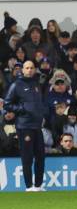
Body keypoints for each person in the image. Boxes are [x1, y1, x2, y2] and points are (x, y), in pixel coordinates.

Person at [4, 61, 46, 191]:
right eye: (27, 68)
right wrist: (22, 108)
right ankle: (29, 186)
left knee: (40, 156)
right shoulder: (16, 85)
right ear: (22, 70)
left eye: (32, 68)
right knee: (27, 157)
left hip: (37, 126)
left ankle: (38, 186)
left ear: (34, 69)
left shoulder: (36, 84)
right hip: (24, 125)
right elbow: (7, 104)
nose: (29, 70)